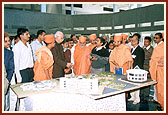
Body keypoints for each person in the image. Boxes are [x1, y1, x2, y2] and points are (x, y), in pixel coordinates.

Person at [128, 33, 145, 105]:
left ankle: (137, 99)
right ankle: (132, 96)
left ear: (136, 42)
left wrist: (137, 69)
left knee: (136, 84)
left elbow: (141, 60)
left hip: (137, 69)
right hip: (132, 68)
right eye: (131, 41)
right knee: (131, 83)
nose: (131, 42)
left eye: (132, 41)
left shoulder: (140, 50)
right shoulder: (132, 49)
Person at [149, 32, 164, 110]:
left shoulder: (162, 46)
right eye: (154, 38)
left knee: (162, 89)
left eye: (156, 38)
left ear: (161, 38)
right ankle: (161, 105)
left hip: (162, 72)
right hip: (157, 70)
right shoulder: (157, 46)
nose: (155, 39)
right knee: (158, 89)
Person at [140, 36, 154, 102]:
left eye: (147, 42)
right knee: (142, 81)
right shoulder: (143, 48)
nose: (145, 43)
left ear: (150, 42)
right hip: (142, 67)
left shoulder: (152, 50)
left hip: (148, 67)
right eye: (144, 42)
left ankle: (146, 96)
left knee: (147, 82)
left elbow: (149, 58)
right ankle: (141, 94)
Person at [4, 32, 15, 111]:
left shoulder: (9, 53)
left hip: (4, 82)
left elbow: (11, 69)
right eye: (6, 41)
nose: (8, 43)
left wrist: (7, 81)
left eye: (9, 40)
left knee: (4, 104)